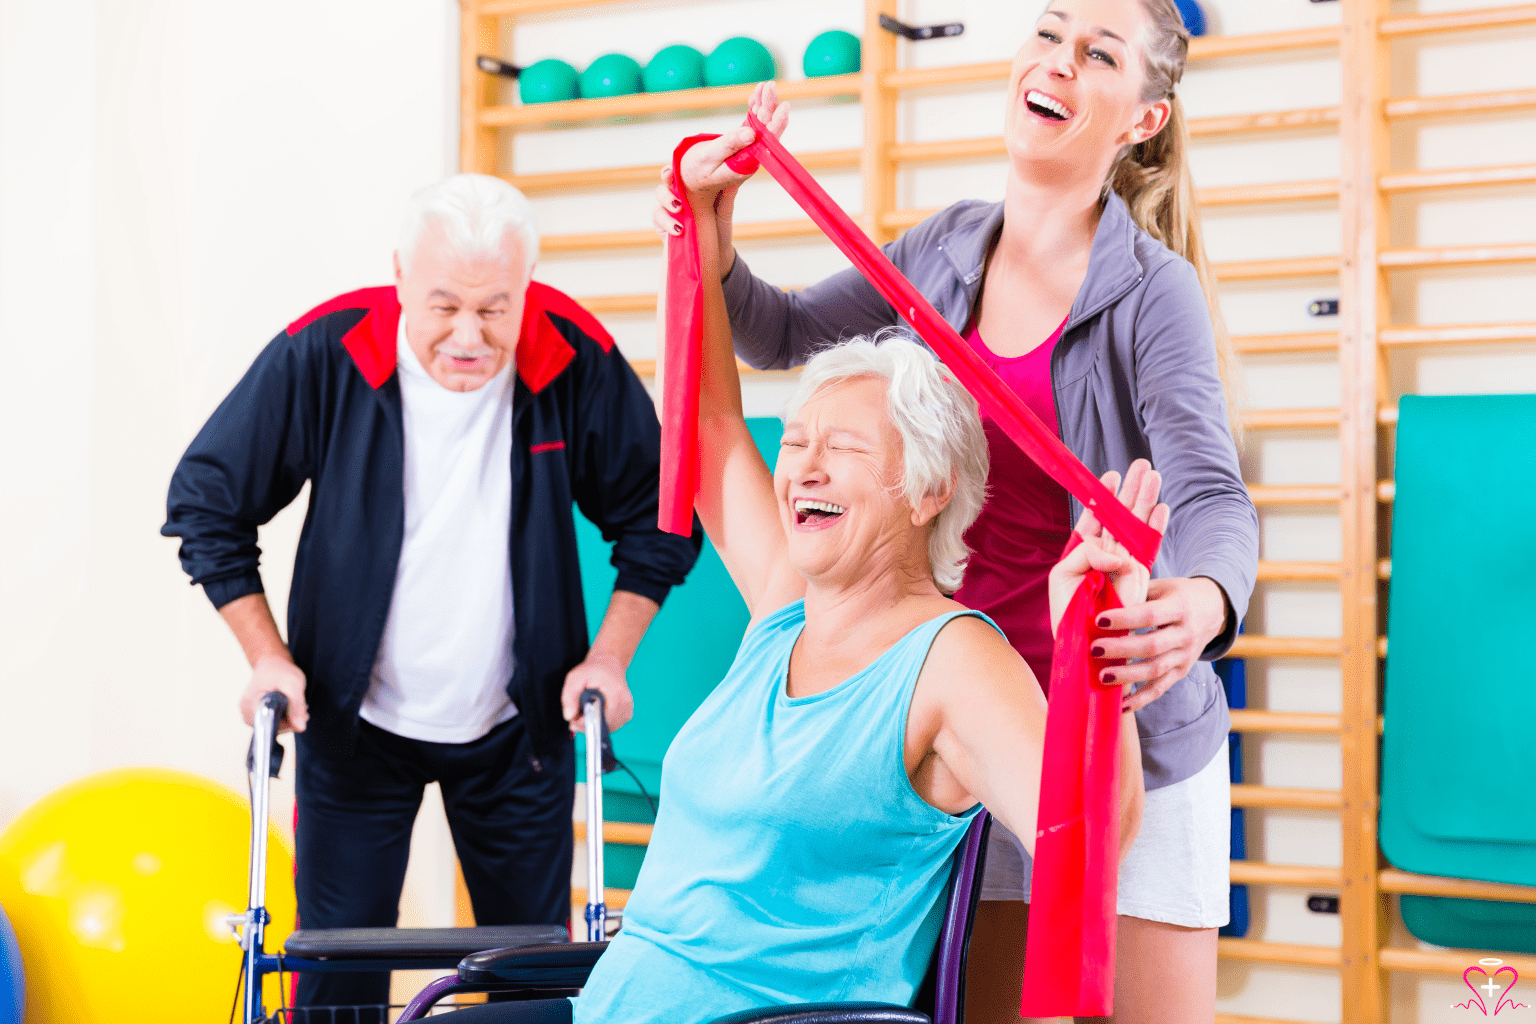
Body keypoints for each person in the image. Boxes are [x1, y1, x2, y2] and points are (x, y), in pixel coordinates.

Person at [430, 159, 1165, 1022]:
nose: (803, 467)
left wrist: (1098, 644)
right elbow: (706, 424)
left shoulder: (952, 661)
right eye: (797, 442)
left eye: (843, 449)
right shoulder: (785, 612)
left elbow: (1087, 845)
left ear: (929, 490)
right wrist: (698, 223)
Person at [652, 1, 1259, 1019]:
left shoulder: (1155, 294)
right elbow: (780, 332)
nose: (1058, 62)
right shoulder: (944, 246)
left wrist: (1201, 602)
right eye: (1049, 33)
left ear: (1142, 120)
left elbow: (1208, 489)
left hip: (1117, 731)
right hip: (964, 721)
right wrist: (712, 225)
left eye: (1098, 54)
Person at [162, 173, 701, 1017]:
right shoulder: (327, 352)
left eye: (495, 309)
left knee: (533, 975)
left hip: (516, 730)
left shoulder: (569, 353)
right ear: (400, 279)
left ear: (527, 288)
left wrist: (609, 659)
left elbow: (661, 518)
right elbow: (206, 502)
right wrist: (267, 658)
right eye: (444, 304)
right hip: (353, 725)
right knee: (336, 970)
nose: (468, 335)